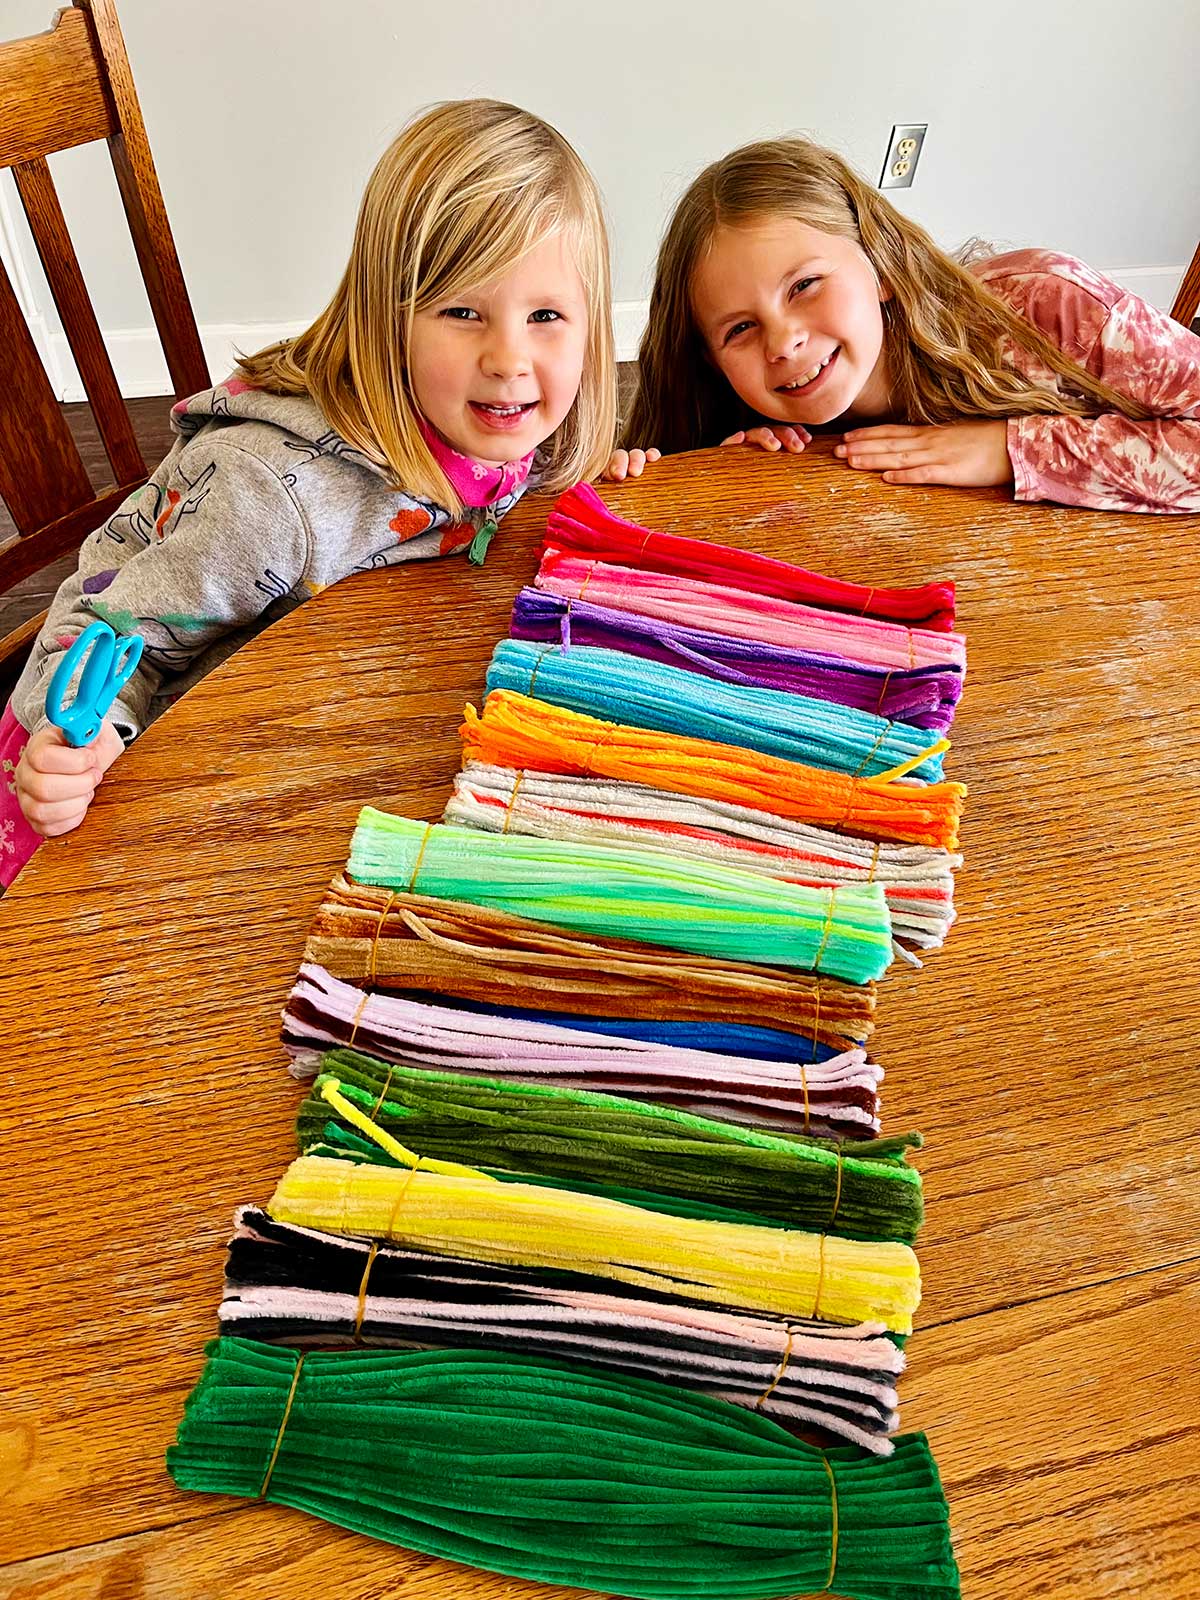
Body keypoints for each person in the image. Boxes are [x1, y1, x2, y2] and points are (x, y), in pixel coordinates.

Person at [3, 98, 614, 887]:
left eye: (546, 315)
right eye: (462, 311)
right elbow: (108, 627)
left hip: (322, 707)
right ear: (387, 321)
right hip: (99, 783)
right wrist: (74, 752)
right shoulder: (270, 500)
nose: (509, 356)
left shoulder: (506, 418)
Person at [608, 136, 1200, 515]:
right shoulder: (739, 409)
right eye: (739, 329)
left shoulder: (1052, 306)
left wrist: (1010, 449)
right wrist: (731, 469)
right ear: (708, 358)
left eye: (805, 286)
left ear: (882, 263)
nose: (783, 342)